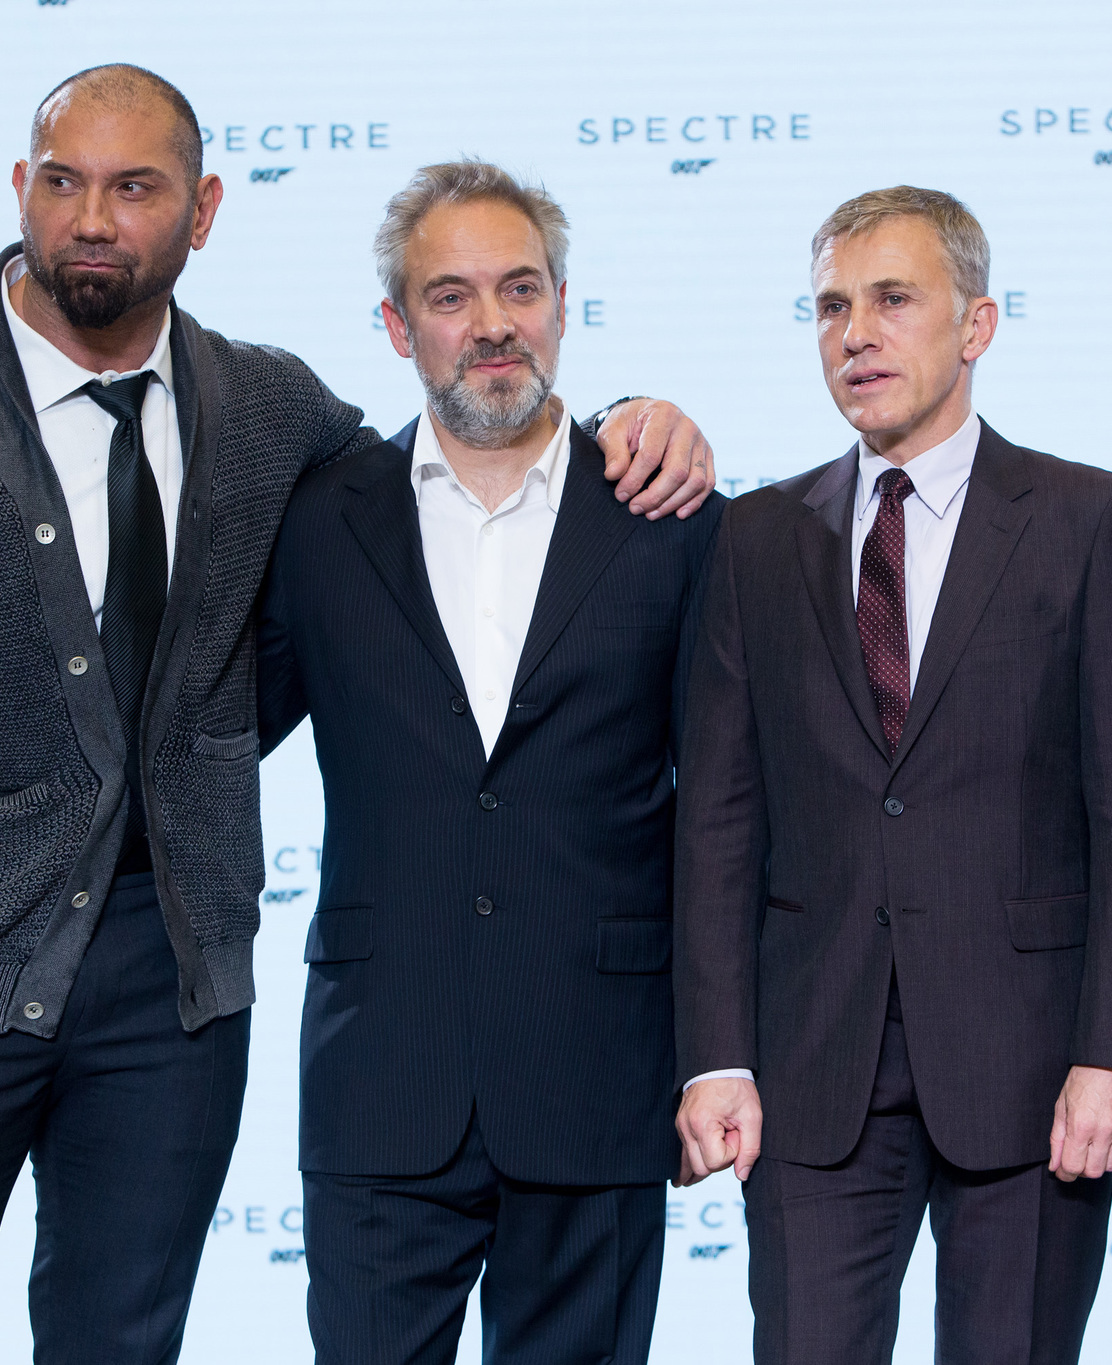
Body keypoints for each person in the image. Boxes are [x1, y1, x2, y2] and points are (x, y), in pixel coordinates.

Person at [0, 68, 713, 1365]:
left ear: (204, 211)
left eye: (136, 186)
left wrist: (623, 420)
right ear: (20, 191)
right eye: (64, 180)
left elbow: (467, 450)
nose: (95, 217)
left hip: (173, 995)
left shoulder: (270, 415)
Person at [671, 186, 1112, 1365]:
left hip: (1033, 1072)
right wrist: (714, 1053)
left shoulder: (1085, 518)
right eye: (830, 308)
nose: (855, 333)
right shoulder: (756, 538)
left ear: (977, 325)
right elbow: (716, 822)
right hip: (810, 1070)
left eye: (891, 300)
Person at [255, 160, 722, 1365]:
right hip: (379, 1078)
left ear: (563, 304)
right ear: (398, 326)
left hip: (597, 1078)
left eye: (520, 288)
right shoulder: (315, 521)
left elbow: (727, 813)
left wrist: (715, 1050)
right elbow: (209, 732)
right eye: (451, 296)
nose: (493, 323)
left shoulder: (671, 514)